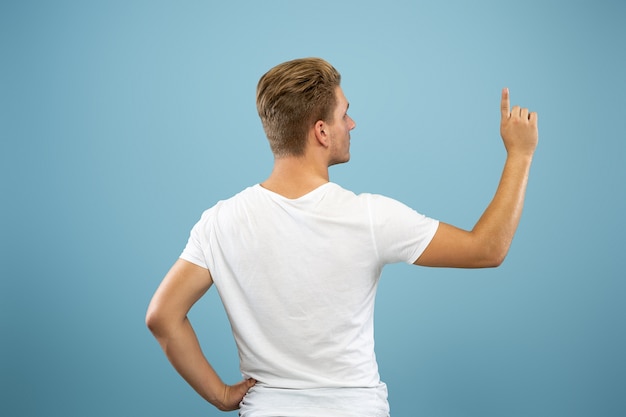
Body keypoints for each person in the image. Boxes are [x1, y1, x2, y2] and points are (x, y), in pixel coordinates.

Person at [146, 57, 538, 416]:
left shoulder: (221, 221)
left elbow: (163, 317)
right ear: (321, 131)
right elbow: (488, 248)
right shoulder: (368, 216)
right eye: (344, 114)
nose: (351, 124)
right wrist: (519, 155)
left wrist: (221, 395)